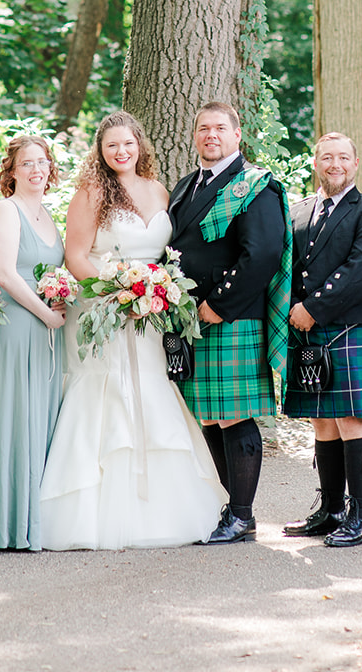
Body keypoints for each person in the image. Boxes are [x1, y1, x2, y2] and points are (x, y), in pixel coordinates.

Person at [39, 111, 223, 549]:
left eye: (128, 144)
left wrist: (156, 293)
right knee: (111, 394)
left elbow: (168, 255)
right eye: (111, 146)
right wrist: (117, 292)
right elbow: (77, 255)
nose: (121, 152)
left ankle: (163, 509)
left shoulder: (159, 190)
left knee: (153, 392)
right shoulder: (91, 193)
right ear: (100, 153)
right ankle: (93, 513)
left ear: (140, 145)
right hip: (106, 309)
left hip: (152, 312)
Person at [167, 101, 292, 545]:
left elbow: (261, 254)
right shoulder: (185, 185)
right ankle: (231, 508)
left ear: (237, 135)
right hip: (188, 317)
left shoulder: (256, 186)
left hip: (230, 317)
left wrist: (219, 304)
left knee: (235, 417)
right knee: (208, 419)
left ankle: (242, 515)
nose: (211, 135)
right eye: (203, 128)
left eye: (220, 128)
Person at [283, 132, 362, 548]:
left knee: (352, 419)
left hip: (350, 327)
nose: (335, 164)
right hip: (306, 332)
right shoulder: (296, 212)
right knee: (323, 420)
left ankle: (360, 516)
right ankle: (331, 510)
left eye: (343, 157)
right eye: (326, 157)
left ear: (355, 164)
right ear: (315, 163)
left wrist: (313, 308)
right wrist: (294, 309)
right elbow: (285, 271)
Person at [0, 133, 66, 551]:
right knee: (13, 419)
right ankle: (5, 526)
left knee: (40, 418)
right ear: (11, 172)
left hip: (47, 330)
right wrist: (47, 313)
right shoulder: (5, 210)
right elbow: (7, 275)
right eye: (27, 163)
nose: (37, 169)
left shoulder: (48, 214)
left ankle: (34, 521)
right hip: (16, 326)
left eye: (42, 161)